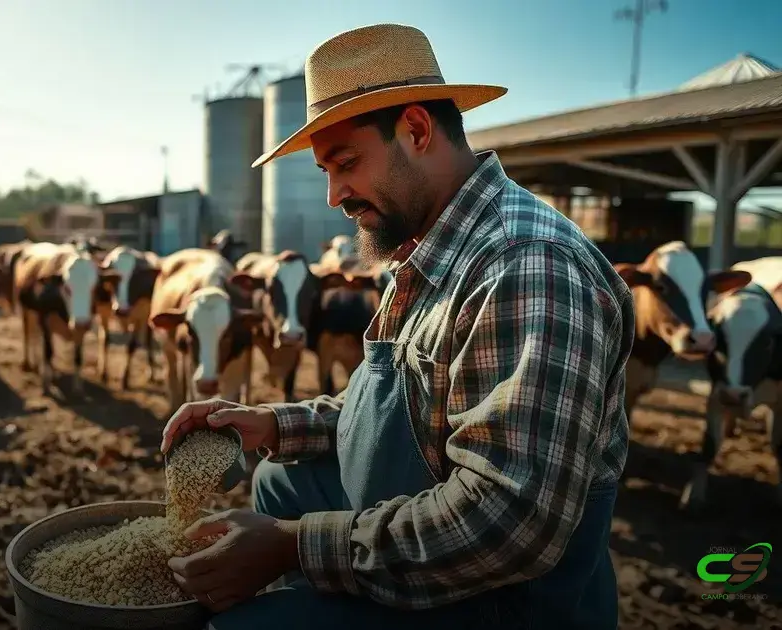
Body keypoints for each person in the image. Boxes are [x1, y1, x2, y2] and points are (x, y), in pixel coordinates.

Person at [160, 23, 633, 630]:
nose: (333, 195)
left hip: (498, 601)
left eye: (346, 163)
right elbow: (401, 411)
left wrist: (292, 546)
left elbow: (510, 523)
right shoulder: (433, 245)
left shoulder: (526, 267)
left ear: (415, 129)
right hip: (435, 524)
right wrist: (272, 423)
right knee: (279, 477)